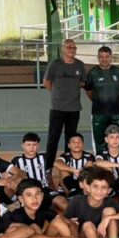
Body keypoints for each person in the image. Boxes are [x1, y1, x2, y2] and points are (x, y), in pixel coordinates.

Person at [43, 39, 86, 175]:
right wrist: (57, 95)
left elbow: (81, 83)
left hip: (74, 108)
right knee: (53, 138)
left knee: (71, 139)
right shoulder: (55, 64)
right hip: (57, 108)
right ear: (63, 49)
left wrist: (70, 95)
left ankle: (69, 167)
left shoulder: (80, 65)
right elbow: (46, 82)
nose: (72, 50)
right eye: (69, 48)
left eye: (74, 48)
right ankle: (48, 167)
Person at [9, 132, 68, 214]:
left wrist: (54, 187)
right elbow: (10, 177)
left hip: (44, 189)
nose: (31, 148)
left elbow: (51, 172)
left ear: (38, 146)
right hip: (28, 191)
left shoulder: (44, 157)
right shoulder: (16, 160)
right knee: (35, 213)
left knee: (61, 202)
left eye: (34, 145)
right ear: (23, 146)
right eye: (28, 145)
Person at [83, 45, 119, 153]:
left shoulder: (118, 71)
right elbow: (88, 91)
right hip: (98, 113)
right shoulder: (92, 72)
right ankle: (100, 164)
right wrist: (98, 100)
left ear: (111, 57)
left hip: (116, 112)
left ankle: (117, 163)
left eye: (107, 56)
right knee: (99, 141)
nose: (104, 59)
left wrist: (113, 99)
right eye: (101, 56)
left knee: (117, 139)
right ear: (98, 57)